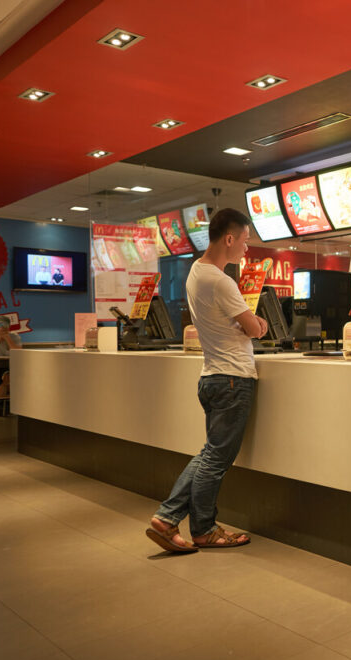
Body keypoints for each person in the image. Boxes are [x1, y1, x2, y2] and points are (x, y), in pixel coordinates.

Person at [147, 208, 267, 553]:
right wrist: (257, 324)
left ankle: (189, 525)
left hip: (212, 376)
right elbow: (254, 328)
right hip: (232, 379)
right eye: (245, 240)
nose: (246, 247)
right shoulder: (220, 281)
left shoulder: (195, 274)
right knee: (215, 458)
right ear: (229, 239)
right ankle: (182, 521)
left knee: (210, 454)